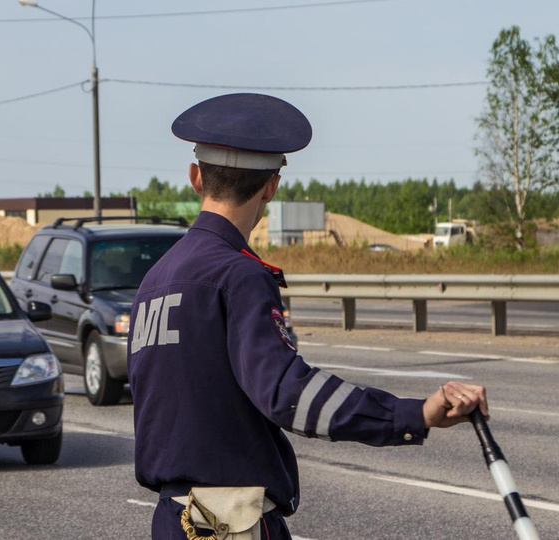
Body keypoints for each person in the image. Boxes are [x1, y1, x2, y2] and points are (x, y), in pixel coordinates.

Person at [127, 93, 490, 540]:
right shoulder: (238, 274)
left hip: (173, 519)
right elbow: (285, 392)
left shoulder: (155, 278)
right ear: (271, 186)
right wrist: (411, 415)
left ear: (195, 177)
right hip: (226, 523)